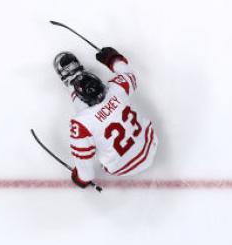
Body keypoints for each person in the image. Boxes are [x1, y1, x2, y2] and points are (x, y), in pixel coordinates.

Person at [54, 47, 158, 189]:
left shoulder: (82, 123)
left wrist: (80, 179)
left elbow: (86, 174)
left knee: (85, 114)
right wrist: (113, 59)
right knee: (90, 115)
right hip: (150, 144)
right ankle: (76, 80)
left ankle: (72, 82)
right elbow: (128, 74)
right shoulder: (116, 89)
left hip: (122, 168)